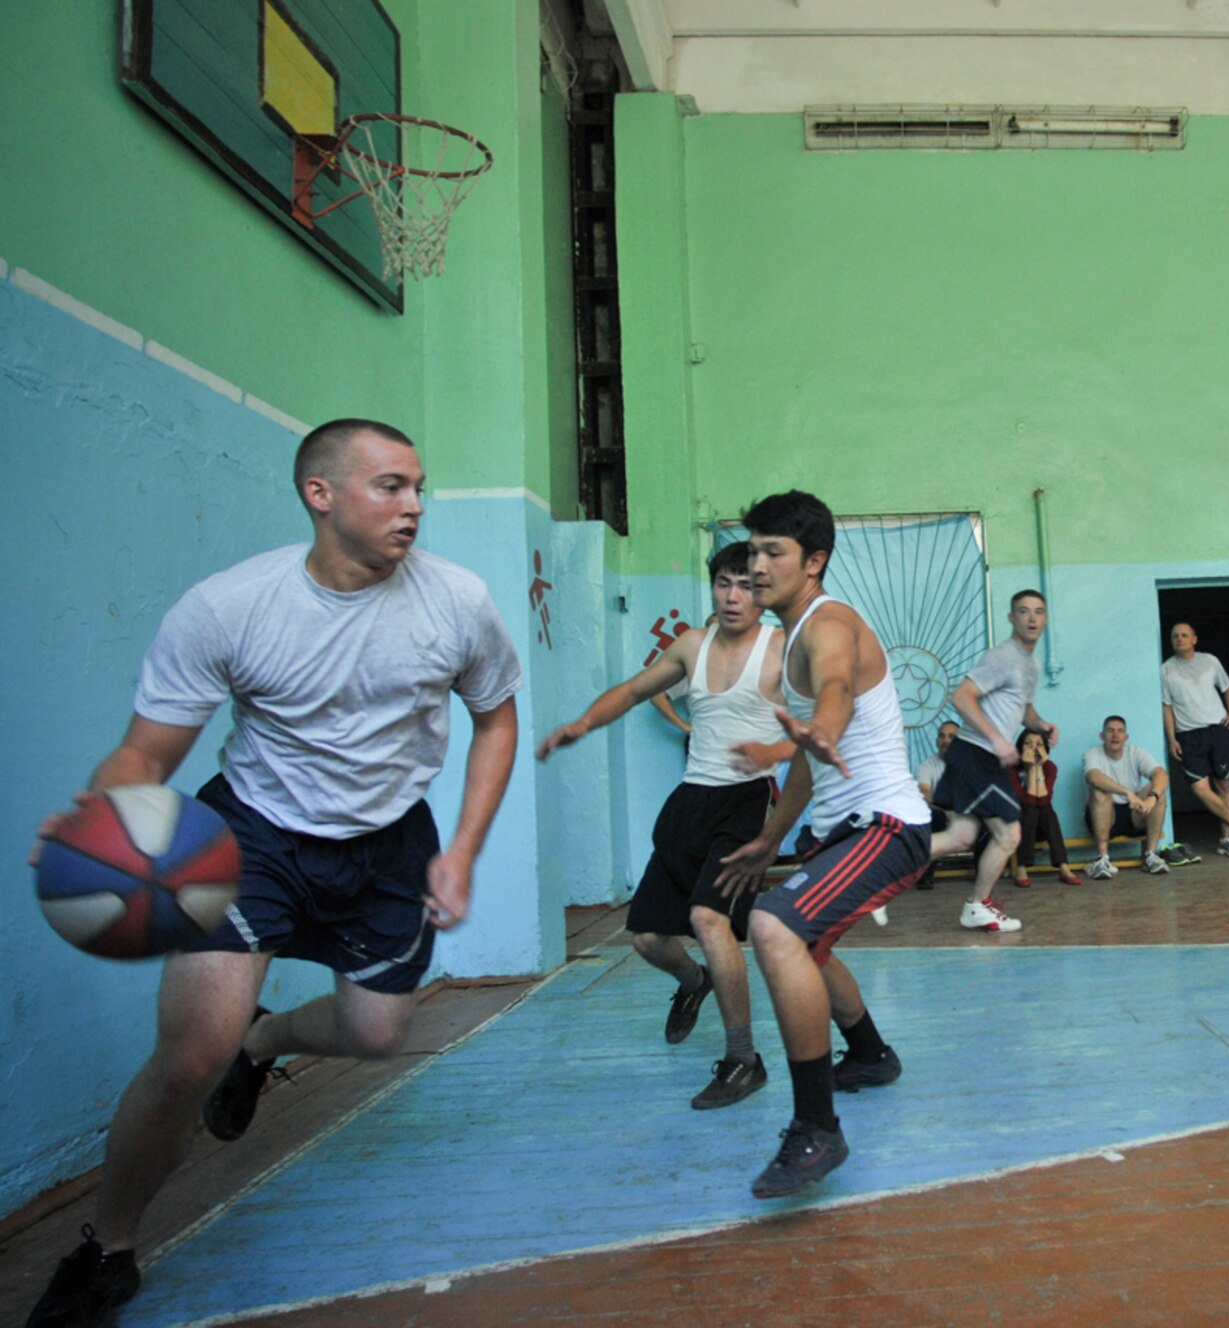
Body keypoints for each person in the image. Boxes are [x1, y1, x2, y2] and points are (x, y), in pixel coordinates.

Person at [25, 420, 523, 1328]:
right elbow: (144, 753)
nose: (413, 505)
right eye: (389, 486)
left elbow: (496, 720)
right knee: (189, 1056)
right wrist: (99, 821)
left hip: (387, 845)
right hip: (250, 837)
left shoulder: (458, 601)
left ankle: (264, 1044)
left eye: (419, 487)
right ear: (320, 494)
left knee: (375, 1035)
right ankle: (107, 1245)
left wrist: (461, 849)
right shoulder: (230, 607)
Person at [712, 490, 931, 1200]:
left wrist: (812, 730)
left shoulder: (827, 625)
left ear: (815, 561)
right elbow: (806, 766)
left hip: (888, 828)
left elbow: (834, 692)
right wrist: (766, 841)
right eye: (752, 550)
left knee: (775, 925)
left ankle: (817, 1128)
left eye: (773, 552)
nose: (756, 565)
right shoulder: (795, 629)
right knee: (805, 942)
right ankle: (869, 1054)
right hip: (844, 828)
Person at [537, 541, 793, 1111]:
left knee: (708, 918)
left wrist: (774, 755)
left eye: (747, 585)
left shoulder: (779, 650)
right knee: (648, 938)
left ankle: (743, 1060)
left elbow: (815, 729)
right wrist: (582, 723)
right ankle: (692, 983)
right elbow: (632, 691)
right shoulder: (692, 646)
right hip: (690, 801)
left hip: (743, 805)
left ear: (764, 591)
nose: (733, 596)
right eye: (724, 583)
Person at [928, 590, 1057, 933]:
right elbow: (961, 697)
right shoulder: (1002, 657)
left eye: (1038, 612)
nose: (1032, 618)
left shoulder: (1031, 664)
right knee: (1010, 834)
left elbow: (1022, 708)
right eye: (1024, 611)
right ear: (1011, 618)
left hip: (978, 756)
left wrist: (1042, 725)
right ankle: (977, 906)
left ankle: (880, 865)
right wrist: (998, 738)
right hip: (977, 754)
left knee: (960, 836)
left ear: (1045, 619)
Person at [1160, 622, 1229, 857]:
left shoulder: (1210, 660)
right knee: (1200, 789)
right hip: (1188, 735)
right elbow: (1167, 706)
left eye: (1184, 635)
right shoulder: (1166, 669)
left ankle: (1226, 839)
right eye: (1175, 636)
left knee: (1224, 784)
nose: (1179, 639)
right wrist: (1172, 739)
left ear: (1194, 639)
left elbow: (1228, 686)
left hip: (1216, 728)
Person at [1082, 716, 1171, 876]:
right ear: (1102, 736)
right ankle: (1102, 860)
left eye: (1120, 731)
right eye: (1110, 731)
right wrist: (1127, 793)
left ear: (1126, 737)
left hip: (1134, 815)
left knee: (1158, 791)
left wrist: (1152, 797)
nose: (1115, 735)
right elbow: (1092, 777)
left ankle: (1151, 856)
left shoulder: (1136, 752)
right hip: (1105, 818)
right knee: (1099, 792)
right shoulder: (1093, 753)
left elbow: (1161, 774)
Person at [1009, 729, 1081, 886]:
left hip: (1043, 825)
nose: (1033, 749)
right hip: (1017, 825)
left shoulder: (1050, 768)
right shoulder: (1012, 769)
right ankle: (1022, 867)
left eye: (1039, 744)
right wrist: (1030, 768)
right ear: (1020, 746)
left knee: (1046, 810)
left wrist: (1037, 768)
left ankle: (1063, 866)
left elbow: (1043, 800)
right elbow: (1026, 801)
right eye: (1028, 744)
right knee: (1030, 811)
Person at [909, 720, 958, 890]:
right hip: (941, 813)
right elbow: (925, 793)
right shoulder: (927, 765)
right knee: (932, 817)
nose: (945, 740)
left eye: (951, 737)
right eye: (942, 736)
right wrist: (947, 811)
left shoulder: (969, 764)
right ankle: (925, 876)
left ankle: (983, 873)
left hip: (965, 813)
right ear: (936, 740)